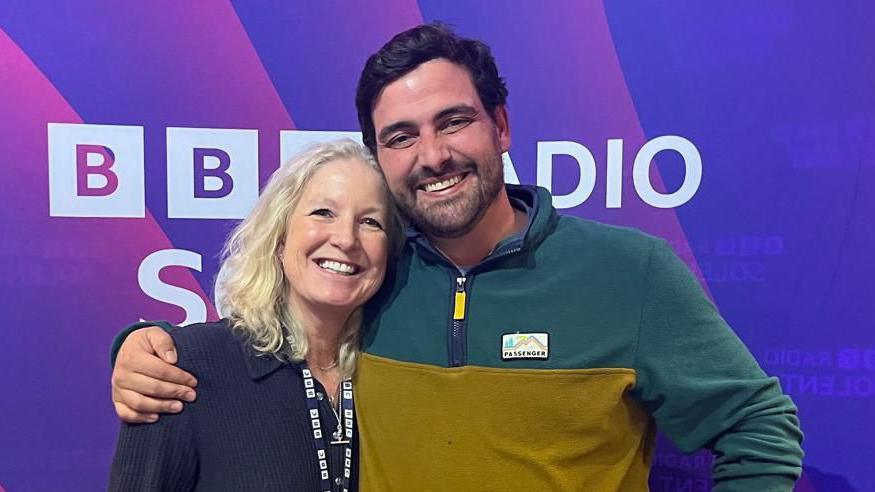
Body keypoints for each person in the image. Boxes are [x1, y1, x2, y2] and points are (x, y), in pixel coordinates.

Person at [110, 24, 803, 491]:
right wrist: (142, 345)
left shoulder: (631, 273)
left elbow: (758, 426)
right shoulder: (374, 279)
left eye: (454, 121)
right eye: (401, 136)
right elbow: (270, 334)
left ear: (500, 126)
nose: (433, 155)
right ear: (381, 156)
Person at [109, 140, 404, 491]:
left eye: (370, 221)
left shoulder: (396, 374)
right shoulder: (181, 368)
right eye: (323, 213)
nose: (346, 238)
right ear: (280, 238)